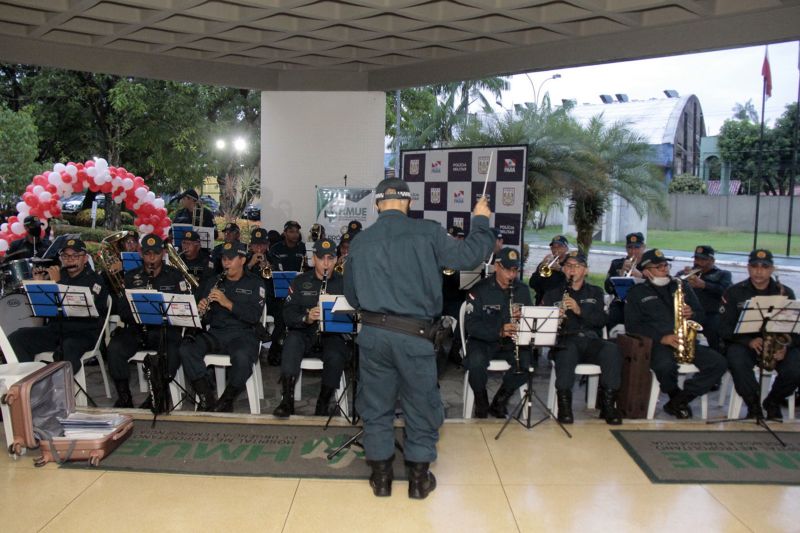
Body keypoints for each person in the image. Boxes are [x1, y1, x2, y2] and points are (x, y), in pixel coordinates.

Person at [344, 177, 494, 500]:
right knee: (420, 406)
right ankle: (418, 480)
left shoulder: (360, 242)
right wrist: (480, 219)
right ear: (408, 203)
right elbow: (470, 257)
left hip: (374, 337)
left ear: (376, 205)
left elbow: (352, 296)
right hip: (416, 337)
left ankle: (381, 479)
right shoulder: (427, 232)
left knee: (376, 407)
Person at [624, 249, 727, 419]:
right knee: (664, 367)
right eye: (658, 267)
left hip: (686, 339)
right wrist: (661, 338)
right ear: (646, 271)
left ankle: (681, 399)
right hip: (658, 344)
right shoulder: (637, 292)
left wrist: (692, 313)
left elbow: (701, 315)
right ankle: (674, 395)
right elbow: (632, 326)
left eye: (666, 265)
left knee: (719, 363)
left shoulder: (681, 285)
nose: (665, 269)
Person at [106, 234, 190, 409]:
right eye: (147, 253)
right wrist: (138, 312)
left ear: (163, 253)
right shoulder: (131, 277)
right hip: (138, 328)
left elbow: (184, 307)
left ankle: (157, 393)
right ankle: (124, 396)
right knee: (115, 348)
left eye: (156, 253)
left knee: (171, 349)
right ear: (141, 254)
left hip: (165, 329)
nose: (151, 258)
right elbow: (122, 309)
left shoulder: (175, 276)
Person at [180, 242, 265, 412]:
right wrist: (202, 309)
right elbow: (205, 319)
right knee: (186, 349)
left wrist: (228, 303)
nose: (226, 263)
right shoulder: (214, 281)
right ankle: (206, 395)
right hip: (216, 333)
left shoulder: (255, 283)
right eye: (224, 259)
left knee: (242, 357)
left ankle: (227, 398)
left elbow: (254, 316)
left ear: (242, 260)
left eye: (230, 259)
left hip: (243, 334)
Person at [542, 251, 623, 425]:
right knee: (567, 351)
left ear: (585, 271)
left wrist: (579, 310)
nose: (572, 270)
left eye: (577, 266)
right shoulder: (552, 294)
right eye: (569, 266)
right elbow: (542, 326)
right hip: (565, 340)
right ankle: (564, 407)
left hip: (590, 340)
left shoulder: (595, 292)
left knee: (611, 349)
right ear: (563, 270)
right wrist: (555, 318)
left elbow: (601, 321)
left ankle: (608, 406)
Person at [719, 249, 800, 420]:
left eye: (764, 267)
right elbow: (724, 328)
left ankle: (773, 401)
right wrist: (748, 341)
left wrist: (786, 346)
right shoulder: (734, 292)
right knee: (737, 360)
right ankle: (753, 404)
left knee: (795, 368)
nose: (759, 271)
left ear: (772, 269)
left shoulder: (785, 293)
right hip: (745, 344)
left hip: (777, 345)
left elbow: (794, 328)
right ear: (748, 268)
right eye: (754, 266)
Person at [273, 238, 349, 417]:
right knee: (291, 341)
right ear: (313, 259)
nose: (326, 263)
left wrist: (334, 309)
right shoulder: (300, 281)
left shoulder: (344, 283)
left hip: (332, 335)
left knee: (337, 354)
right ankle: (287, 401)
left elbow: (354, 314)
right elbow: (288, 314)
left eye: (330, 258)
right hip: (305, 332)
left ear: (337, 259)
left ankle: (323, 403)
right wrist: (306, 317)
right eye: (321, 258)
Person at [8, 238, 109, 374]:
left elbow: (80, 311)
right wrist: (40, 286)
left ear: (85, 259)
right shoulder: (61, 274)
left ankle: (63, 388)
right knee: (17, 338)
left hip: (83, 333)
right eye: (65, 256)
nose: (70, 259)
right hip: (56, 330)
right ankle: (29, 381)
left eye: (75, 256)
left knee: (67, 348)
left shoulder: (95, 280)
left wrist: (56, 284)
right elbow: (46, 310)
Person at [464, 247, 532, 418]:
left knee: (526, 362)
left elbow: (531, 321)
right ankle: (481, 400)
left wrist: (522, 319)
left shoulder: (522, 290)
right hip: (484, 339)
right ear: (497, 266)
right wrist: (498, 331)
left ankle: (501, 400)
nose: (512, 275)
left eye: (515, 270)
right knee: (475, 362)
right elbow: (471, 326)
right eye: (508, 270)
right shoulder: (479, 289)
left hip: (511, 341)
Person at [265, 220, 307, 364]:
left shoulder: (302, 248)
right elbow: (270, 270)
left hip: (298, 293)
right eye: (291, 231)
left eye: (297, 231)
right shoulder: (275, 248)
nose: (295, 234)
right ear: (284, 233)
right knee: (281, 321)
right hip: (280, 293)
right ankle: (274, 353)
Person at [678, 245, 732, 351]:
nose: (698, 262)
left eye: (703, 259)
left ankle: (718, 354)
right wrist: (681, 278)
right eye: (696, 259)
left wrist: (704, 285)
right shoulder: (685, 273)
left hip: (711, 314)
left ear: (712, 260)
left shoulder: (723, 274)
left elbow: (727, 293)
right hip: (690, 314)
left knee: (716, 330)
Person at [605, 232, 646, 328]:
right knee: (612, 316)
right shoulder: (617, 264)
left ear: (643, 247)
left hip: (643, 304)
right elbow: (608, 288)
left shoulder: (649, 265)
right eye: (630, 248)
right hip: (621, 304)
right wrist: (620, 274)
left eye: (637, 248)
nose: (633, 251)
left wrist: (641, 276)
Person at [529, 235, 569, 305]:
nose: (556, 249)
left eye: (559, 247)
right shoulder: (546, 263)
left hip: (561, 303)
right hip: (542, 303)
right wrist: (540, 268)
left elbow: (574, 280)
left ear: (566, 249)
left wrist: (560, 269)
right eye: (553, 247)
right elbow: (532, 284)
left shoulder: (570, 264)